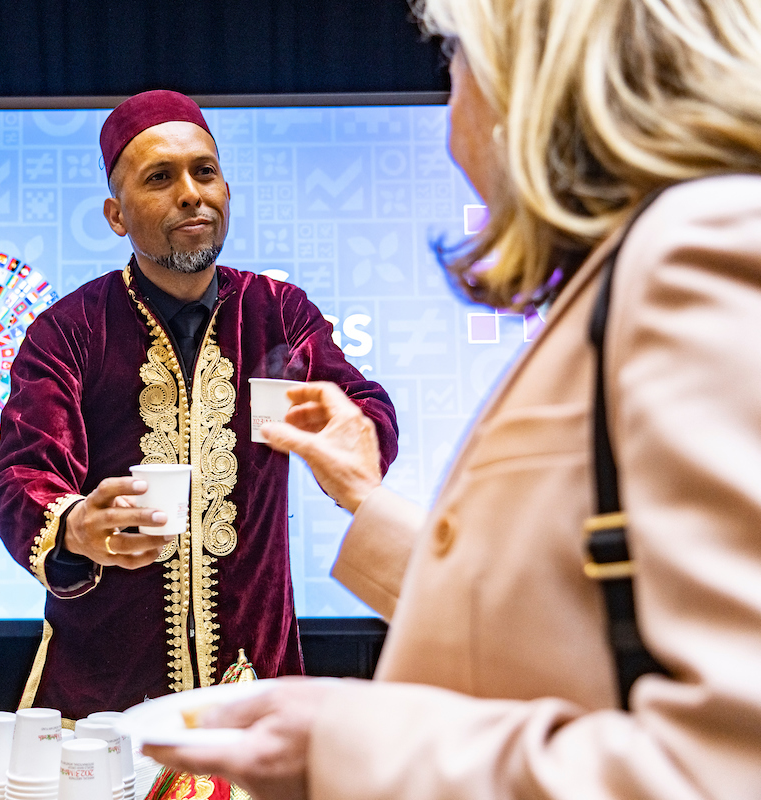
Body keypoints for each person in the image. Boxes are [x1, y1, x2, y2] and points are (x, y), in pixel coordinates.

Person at [145, 0, 761, 797]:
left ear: (532, 78)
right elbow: (567, 621)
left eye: (457, 60)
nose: (450, 103)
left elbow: (729, 763)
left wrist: (348, 748)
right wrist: (365, 496)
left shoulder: (697, 252)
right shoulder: (635, 269)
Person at [0, 90, 399, 720]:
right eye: (160, 178)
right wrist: (75, 525)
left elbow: (361, 404)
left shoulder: (278, 315)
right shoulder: (69, 330)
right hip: (103, 704)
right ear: (115, 215)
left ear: (227, 190)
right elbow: (22, 475)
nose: (191, 193)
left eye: (204, 172)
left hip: (253, 687)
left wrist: (352, 432)